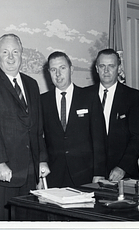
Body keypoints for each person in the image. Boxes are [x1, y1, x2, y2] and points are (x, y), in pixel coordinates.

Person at [0, 34, 49, 221]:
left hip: (31, 172)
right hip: (4, 173)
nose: (10, 57)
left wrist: (41, 159)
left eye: (15, 52)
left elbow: (37, 126)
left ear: (22, 54)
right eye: (5, 52)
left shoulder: (32, 85)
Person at [41, 51, 106, 188]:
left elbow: (99, 137)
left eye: (62, 68)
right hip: (54, 176)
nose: (58, 74)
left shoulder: (89, 97)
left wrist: (99, 172)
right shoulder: (42, 101)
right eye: (53, 70)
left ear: (71, 70)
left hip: (85, 174)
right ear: (49, 73)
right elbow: (39, 138)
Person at [85, 48, 139, 180]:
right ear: (96, 68)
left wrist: (123, 167)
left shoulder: (132, 96)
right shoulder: (84, 95)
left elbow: (137, 137)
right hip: (91, 175)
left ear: (119, 68)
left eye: (111, 66)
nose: (106, 70)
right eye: (102, 66)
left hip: (124, 175)